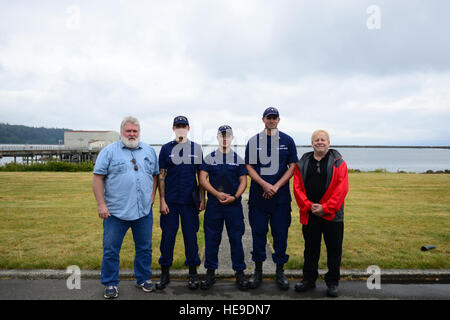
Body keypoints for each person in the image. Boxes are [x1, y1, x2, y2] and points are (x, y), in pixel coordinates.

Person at [92, 116, 159, 299]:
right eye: (128, 131)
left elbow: (155, 175)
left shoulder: (149, 151)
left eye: (135, 131)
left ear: (139, 132)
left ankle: (143, 278)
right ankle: (110, 283)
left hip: (143, 211)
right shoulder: (108, 152)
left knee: (144, 248)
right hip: (115, 212)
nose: (131, 134)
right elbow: (98, 178)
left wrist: (152, 195)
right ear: (122, 132)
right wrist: (101, 204)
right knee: (111, 249)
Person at [245, 107, 298, 290]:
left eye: (275, 117)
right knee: (258, 234)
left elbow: (292, 167)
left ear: (279, 120)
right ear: (263, 119)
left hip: (280, 198)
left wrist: (275, 186)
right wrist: (264, 185)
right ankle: (257, 271)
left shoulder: (288, 140)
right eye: (269, 117)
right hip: (259, 197)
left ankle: (280, 271)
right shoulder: (254, 141)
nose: (272, 120)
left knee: (280, 235)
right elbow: (249, 167)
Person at [293, 130, 349, 298]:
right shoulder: (303, 162)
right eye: (316, 140)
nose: (319, 142)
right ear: (312, 143)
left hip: (332, 216)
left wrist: (326, 207)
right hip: (310, 214)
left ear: (329, 143)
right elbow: (297, 187)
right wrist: (309, 206)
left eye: (323, 140)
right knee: (310, 250)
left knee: (334, 250)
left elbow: (342, 188)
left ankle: (332, 282)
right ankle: (309, 280)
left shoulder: (339, 163)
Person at [156, 115, 205, 290]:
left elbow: (201, 176)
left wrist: (202, 198)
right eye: (178, 126)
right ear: (173, 128)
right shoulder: (166, 149)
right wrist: (162, 200)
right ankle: (165, 273)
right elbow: (161, 174)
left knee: (191, 237)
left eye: (184, 125)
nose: (181, 128)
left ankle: (193, 273)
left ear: (188, 128)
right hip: (170, 200)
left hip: (189, 201)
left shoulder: (196, 149)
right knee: (167, 236)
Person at [199, 125, 249, 290]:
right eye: (222, 136)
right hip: (215, 205)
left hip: (233, 206)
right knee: (212, 239)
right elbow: (203, 179)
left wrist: (234, 196)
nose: (225, 138)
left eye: (228, 136)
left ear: (232, 138)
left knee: (236, 239)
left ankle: (240, 272)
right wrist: (216, 194)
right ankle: (210, 272)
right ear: (218, 138)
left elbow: (243, 181)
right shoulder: (209, 158)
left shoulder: (238, 159)